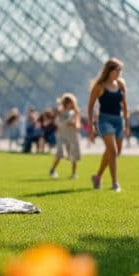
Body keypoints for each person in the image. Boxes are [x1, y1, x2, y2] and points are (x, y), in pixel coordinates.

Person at [88, 58, 129, 192]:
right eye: (116, 70)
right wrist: (91, 126)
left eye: (120, 70)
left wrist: (127, 124)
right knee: (113, 151)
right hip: (105, 120)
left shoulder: (121, 84)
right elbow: (90, 106)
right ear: (109, 70)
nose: (118, 73)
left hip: (119, 120)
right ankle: (115, 183)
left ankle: (98, 176)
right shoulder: (100, 86)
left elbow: (124, 105)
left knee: (115, 152)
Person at [49, 93, 82, 180]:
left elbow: (78, 125)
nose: (69, 104)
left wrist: (74, 124)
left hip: (72, 135)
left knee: (74, 155)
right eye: (67, 102)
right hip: (62, 135)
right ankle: (53, 169)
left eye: (70, 102)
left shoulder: (75, 112)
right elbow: (58, 123)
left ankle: (74, 173)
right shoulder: (60, 112)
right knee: (60, 153)